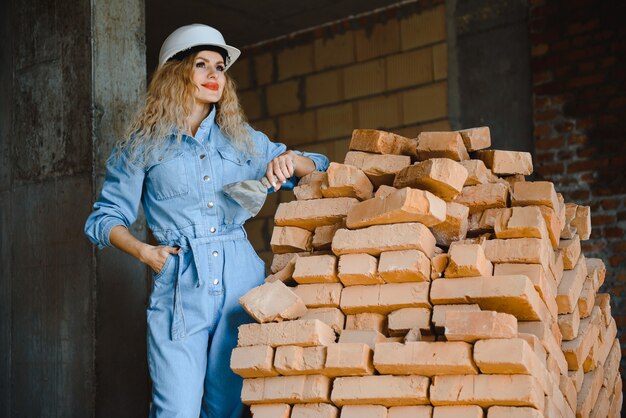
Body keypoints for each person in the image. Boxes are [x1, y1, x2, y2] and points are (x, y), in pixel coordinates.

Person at [84, 24, 329, 417]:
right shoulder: (142, 145)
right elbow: (104, 218)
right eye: (201, 65)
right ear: (175, 72)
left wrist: (291, 161)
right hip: (181, 281)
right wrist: (146, 252)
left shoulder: (241, 139)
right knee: (176, 410)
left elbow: (318, 167)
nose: (215, 75)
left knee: (227, 409)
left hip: (240, 283)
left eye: (220, 66)